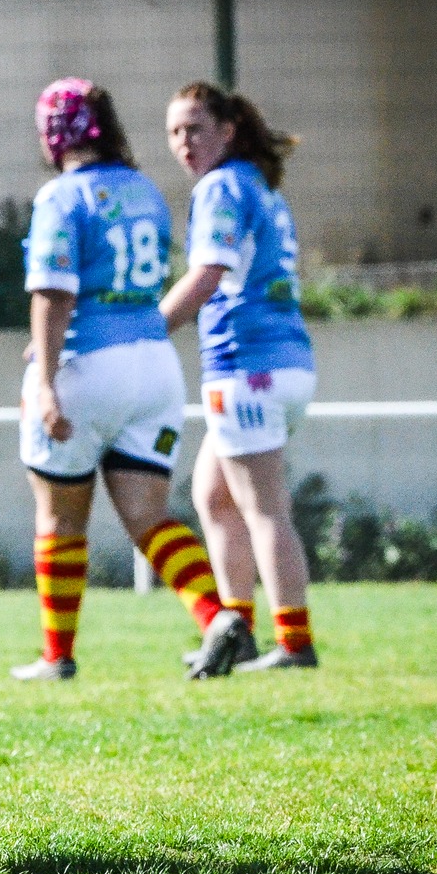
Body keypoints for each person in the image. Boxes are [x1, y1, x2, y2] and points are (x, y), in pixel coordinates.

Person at [12, 78, 255, 682]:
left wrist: (43, 380)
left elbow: (53, 292)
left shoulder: (61, 197)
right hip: (155, 366)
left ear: (52, 133)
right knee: (150, 516)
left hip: (87, 367)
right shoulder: (144, 190)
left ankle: (57, 657)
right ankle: (216, 617)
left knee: (61, 518)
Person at [159, 81, 317, 672]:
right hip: (285, 365)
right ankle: (239, 631)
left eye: (194, 128)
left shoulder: (222, 186)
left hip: (247, 369)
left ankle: (295, 645)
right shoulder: (257, 184)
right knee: (215, 496)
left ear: (228, 130)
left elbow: (205, 277)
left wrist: (145, 333)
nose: (183, 142)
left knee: (265, 508)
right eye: (174, 132)